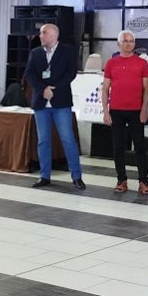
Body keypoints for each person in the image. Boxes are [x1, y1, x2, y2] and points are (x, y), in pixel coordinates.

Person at [25, 23, 85, 190]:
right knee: (43, 140)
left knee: (67, 139)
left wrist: (54, 89)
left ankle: (77, 176)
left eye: (44, 33)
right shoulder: (35, 53)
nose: (40, 36)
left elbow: (71, 73)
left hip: (61, 102)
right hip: (41, 103)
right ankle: (44, 176)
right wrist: (43, 89)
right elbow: (29, 74)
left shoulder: (67, 51)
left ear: (54, 35)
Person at [101, 30, 148, 195]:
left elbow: (146, 89)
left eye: (131, 41)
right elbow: (105, 89)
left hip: (136, 111)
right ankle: (121, 180)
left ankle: (143, 181)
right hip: (116, 110)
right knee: (118, 147)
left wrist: (144, 109)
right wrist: (105, 111)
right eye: (125, 41)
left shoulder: (142, 63)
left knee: (140, 147)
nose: (128, 44)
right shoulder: (111, 63)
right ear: (119, 44)